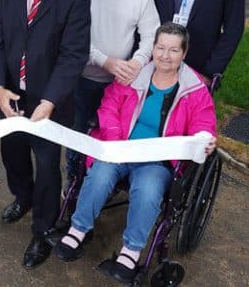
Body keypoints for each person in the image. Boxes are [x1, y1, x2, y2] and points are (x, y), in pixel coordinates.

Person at [54, 23, 217, 285]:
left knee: (149, 188)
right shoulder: (135, 74)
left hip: (157, 159)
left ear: (184, 54)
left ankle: (131, 250)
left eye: (173, 50)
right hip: (120, 147)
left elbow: (203, 122)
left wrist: (202, 139)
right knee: (99, 174)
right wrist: (117, 143)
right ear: (152, 48)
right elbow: (108, 106)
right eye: (161, 47)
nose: (165, 55)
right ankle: (78, 228)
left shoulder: (194, 89)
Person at [0, 0, 91, 269]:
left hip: (50, 100)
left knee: (47, 166)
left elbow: (74, 55)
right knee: (13, 154)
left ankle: (43, 229)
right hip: (13, 96)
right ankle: (22, 197)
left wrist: (50, 101)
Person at [67, 0, 160, 185]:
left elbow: (151, 34)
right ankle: (73, 184)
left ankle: (103, 183)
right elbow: (70, 37)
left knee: (113, 134)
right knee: (77, 134)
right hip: (81, 77)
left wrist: (138, 62)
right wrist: (104, 60)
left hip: (122, 83)